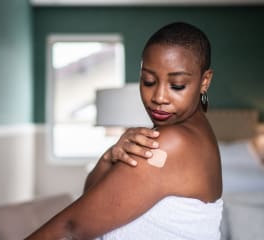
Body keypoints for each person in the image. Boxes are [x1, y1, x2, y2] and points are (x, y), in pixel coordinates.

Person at [25, 22, 223, 240]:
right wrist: (109, 157)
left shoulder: (170, 143)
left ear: (205, 81)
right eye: (148, 81)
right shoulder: (197, 132)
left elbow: (72, 227)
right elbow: (91, 199)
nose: (158, 97)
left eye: (176, 85)